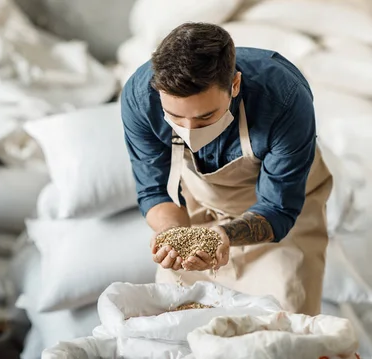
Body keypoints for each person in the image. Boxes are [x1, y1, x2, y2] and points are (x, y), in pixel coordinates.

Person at [121, 22, 332, 316]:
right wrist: (173, 235)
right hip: (203, 204)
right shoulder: (140, 98)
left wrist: (223, 236)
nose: (189, 130)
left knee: (285, 318)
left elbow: (278, 210)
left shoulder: (284, 99)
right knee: (177, 312)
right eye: (175, 117)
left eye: (206, 117)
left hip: (282, 212)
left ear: (234, 85)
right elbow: (155, 190)